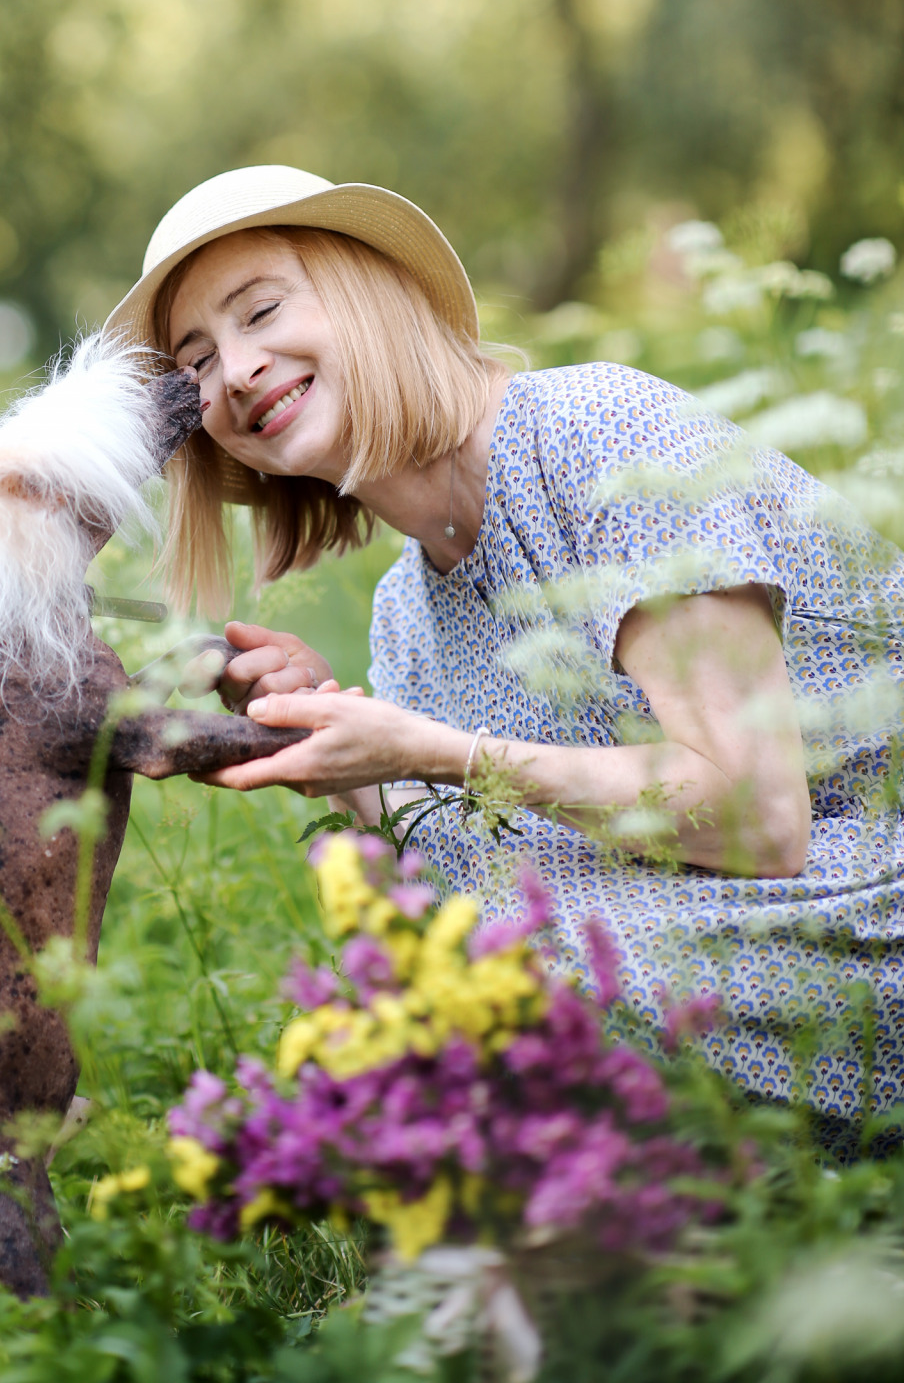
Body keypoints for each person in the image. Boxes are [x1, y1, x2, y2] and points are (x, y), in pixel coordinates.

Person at [108, 166, 904, 1139]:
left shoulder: (596, 434)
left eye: (261, 311)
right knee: (460, 958)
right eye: (194, 364)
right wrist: (335, 747)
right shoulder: (406, 609)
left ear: (370, 293)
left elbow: (757, 816)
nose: (232, 372)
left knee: (513, 979)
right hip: (735, 921)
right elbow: (471, 869)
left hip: (868, 887)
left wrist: (428, 752)